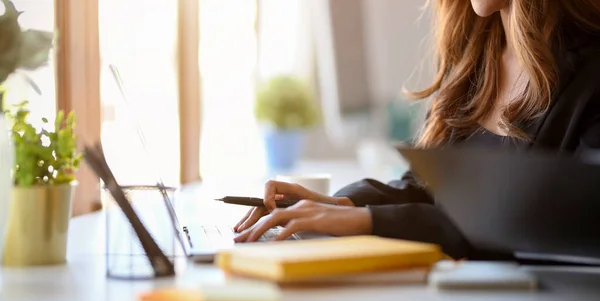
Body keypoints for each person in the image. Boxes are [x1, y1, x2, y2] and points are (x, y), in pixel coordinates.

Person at [233, 0, 600, 259]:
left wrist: (368, 220)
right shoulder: (475, 60)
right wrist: (339, 204)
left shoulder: (590, 76)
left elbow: (542, 225)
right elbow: (427, 190)